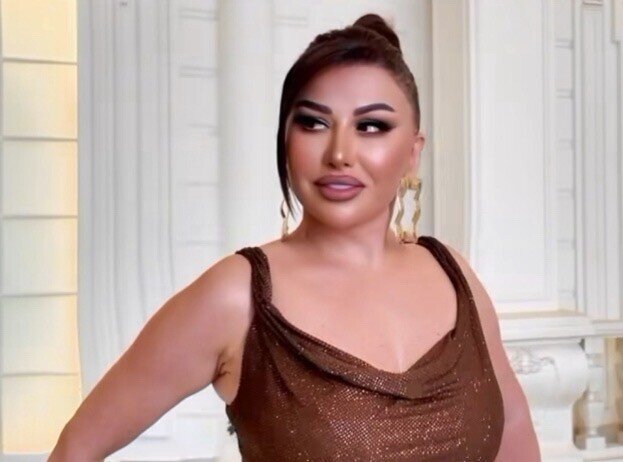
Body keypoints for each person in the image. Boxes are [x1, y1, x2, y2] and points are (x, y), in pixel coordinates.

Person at [50, 13, 539, 462]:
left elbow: (513, 430)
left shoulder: (453, 275)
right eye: (314, 123)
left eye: (371, 126)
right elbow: (77, 447)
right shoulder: (237, 296)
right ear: (286, 141)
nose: (340, 153)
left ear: (413, 152)